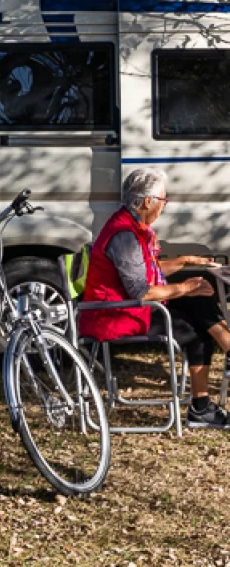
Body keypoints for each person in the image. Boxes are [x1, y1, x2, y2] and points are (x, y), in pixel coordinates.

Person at [79, 167, 230, 429]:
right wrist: (183, 287)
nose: (164, 206)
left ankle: (223, 356)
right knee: (196, 325)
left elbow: (150, 270)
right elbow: (142, 291)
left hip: (128, 308)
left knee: (197, 298)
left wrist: (185, 263)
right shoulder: (124, 236)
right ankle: (201, 408)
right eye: (163, 200)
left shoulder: (132, 225)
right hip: (114, 315)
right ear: (148, 201)